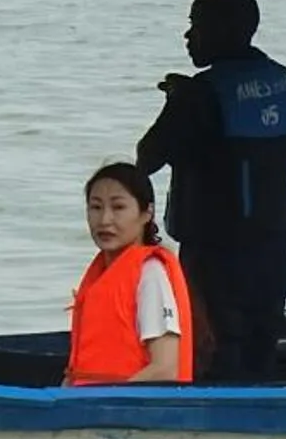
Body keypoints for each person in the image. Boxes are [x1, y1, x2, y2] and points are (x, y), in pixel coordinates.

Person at [136, 0, 286, 382]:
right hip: (274, 253)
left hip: (216, 260)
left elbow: (147, 157)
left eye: (195, 25)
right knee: (260, 360)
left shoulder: (200, 96)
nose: (188, 36)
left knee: (215, 363)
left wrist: (177, 99)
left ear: (221, 29)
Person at [65, 162, 193, 386]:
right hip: (87, 407)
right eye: (96, 207)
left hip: (129, 414)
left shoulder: (150, 273)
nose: (105, 220)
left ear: (146, 213)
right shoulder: (102, 274)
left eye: (118, 208)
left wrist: (106, 403)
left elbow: (165, 369)